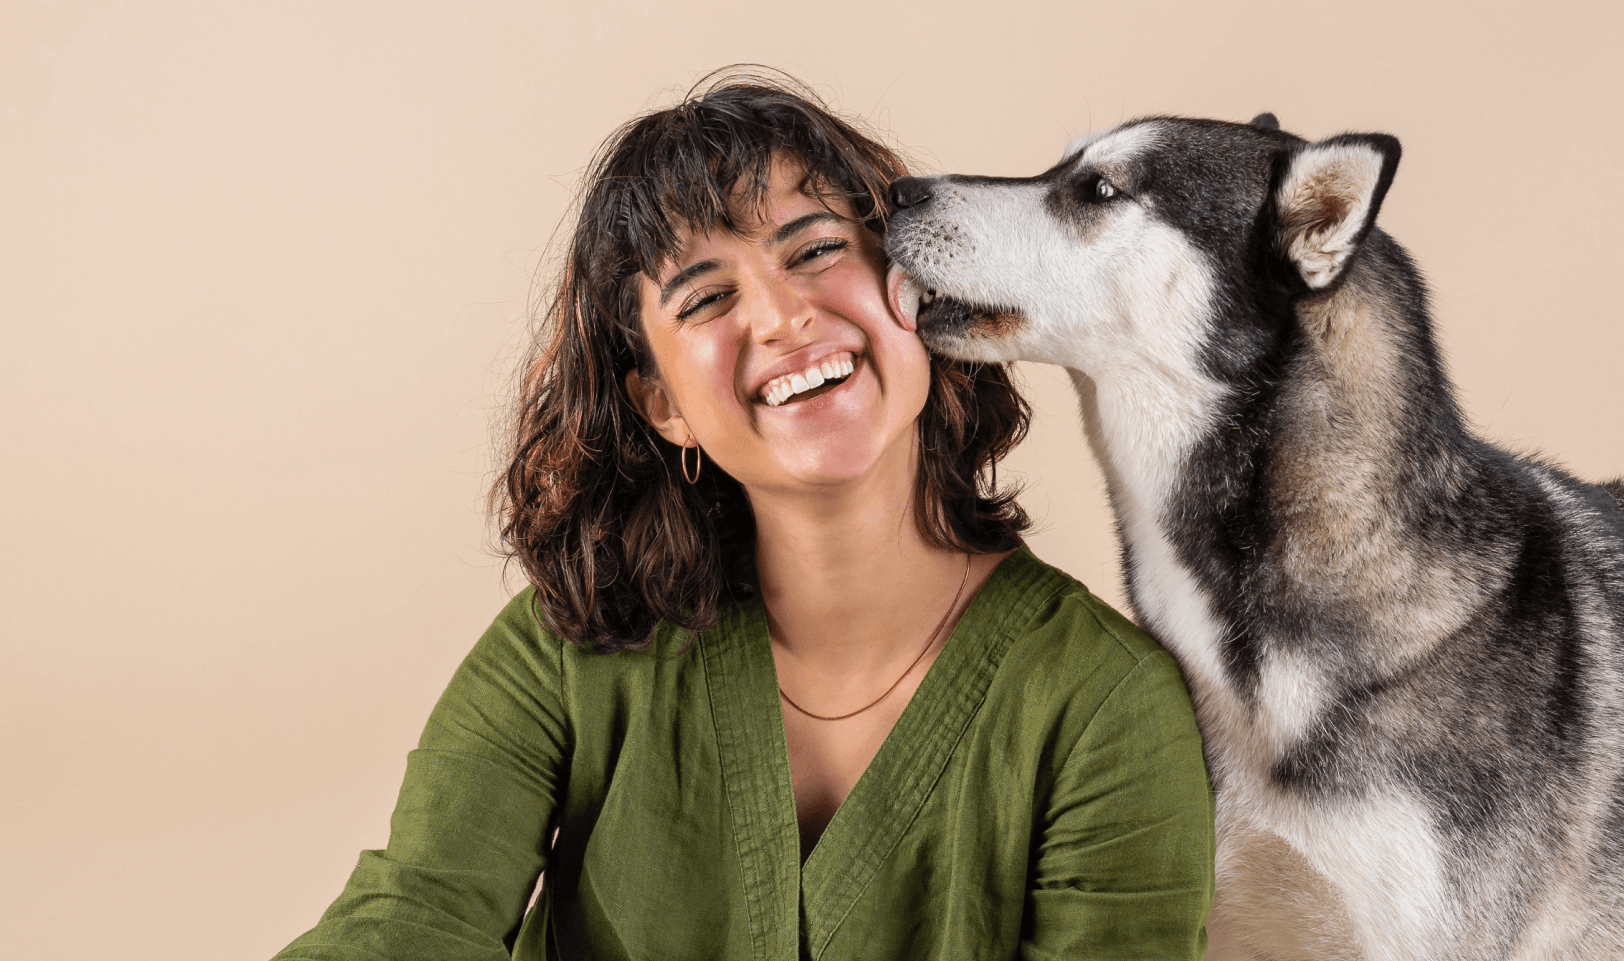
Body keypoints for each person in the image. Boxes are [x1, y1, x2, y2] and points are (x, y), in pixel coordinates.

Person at [273, 70, 1215, 960]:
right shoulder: (568, 649)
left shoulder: (1107, 707)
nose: (781, 315)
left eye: (815, 250)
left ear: (913, 293)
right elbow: (415, 912)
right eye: (708, 297)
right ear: (663, 405)